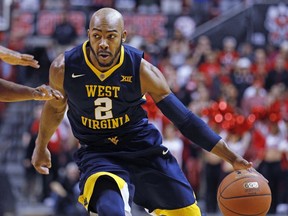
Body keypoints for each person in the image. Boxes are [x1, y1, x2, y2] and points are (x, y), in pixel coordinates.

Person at [32, 7, 254, 216]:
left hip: (143, 147)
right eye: (97, 35)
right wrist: (40, 146)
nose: (103, 43)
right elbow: (54, 108)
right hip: (99, 152)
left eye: (111, 36)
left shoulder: (141, 70)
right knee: (111, 211)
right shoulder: (64, 68)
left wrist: (231, 157)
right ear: (88, 33)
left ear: (123, 36)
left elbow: (184, 120)